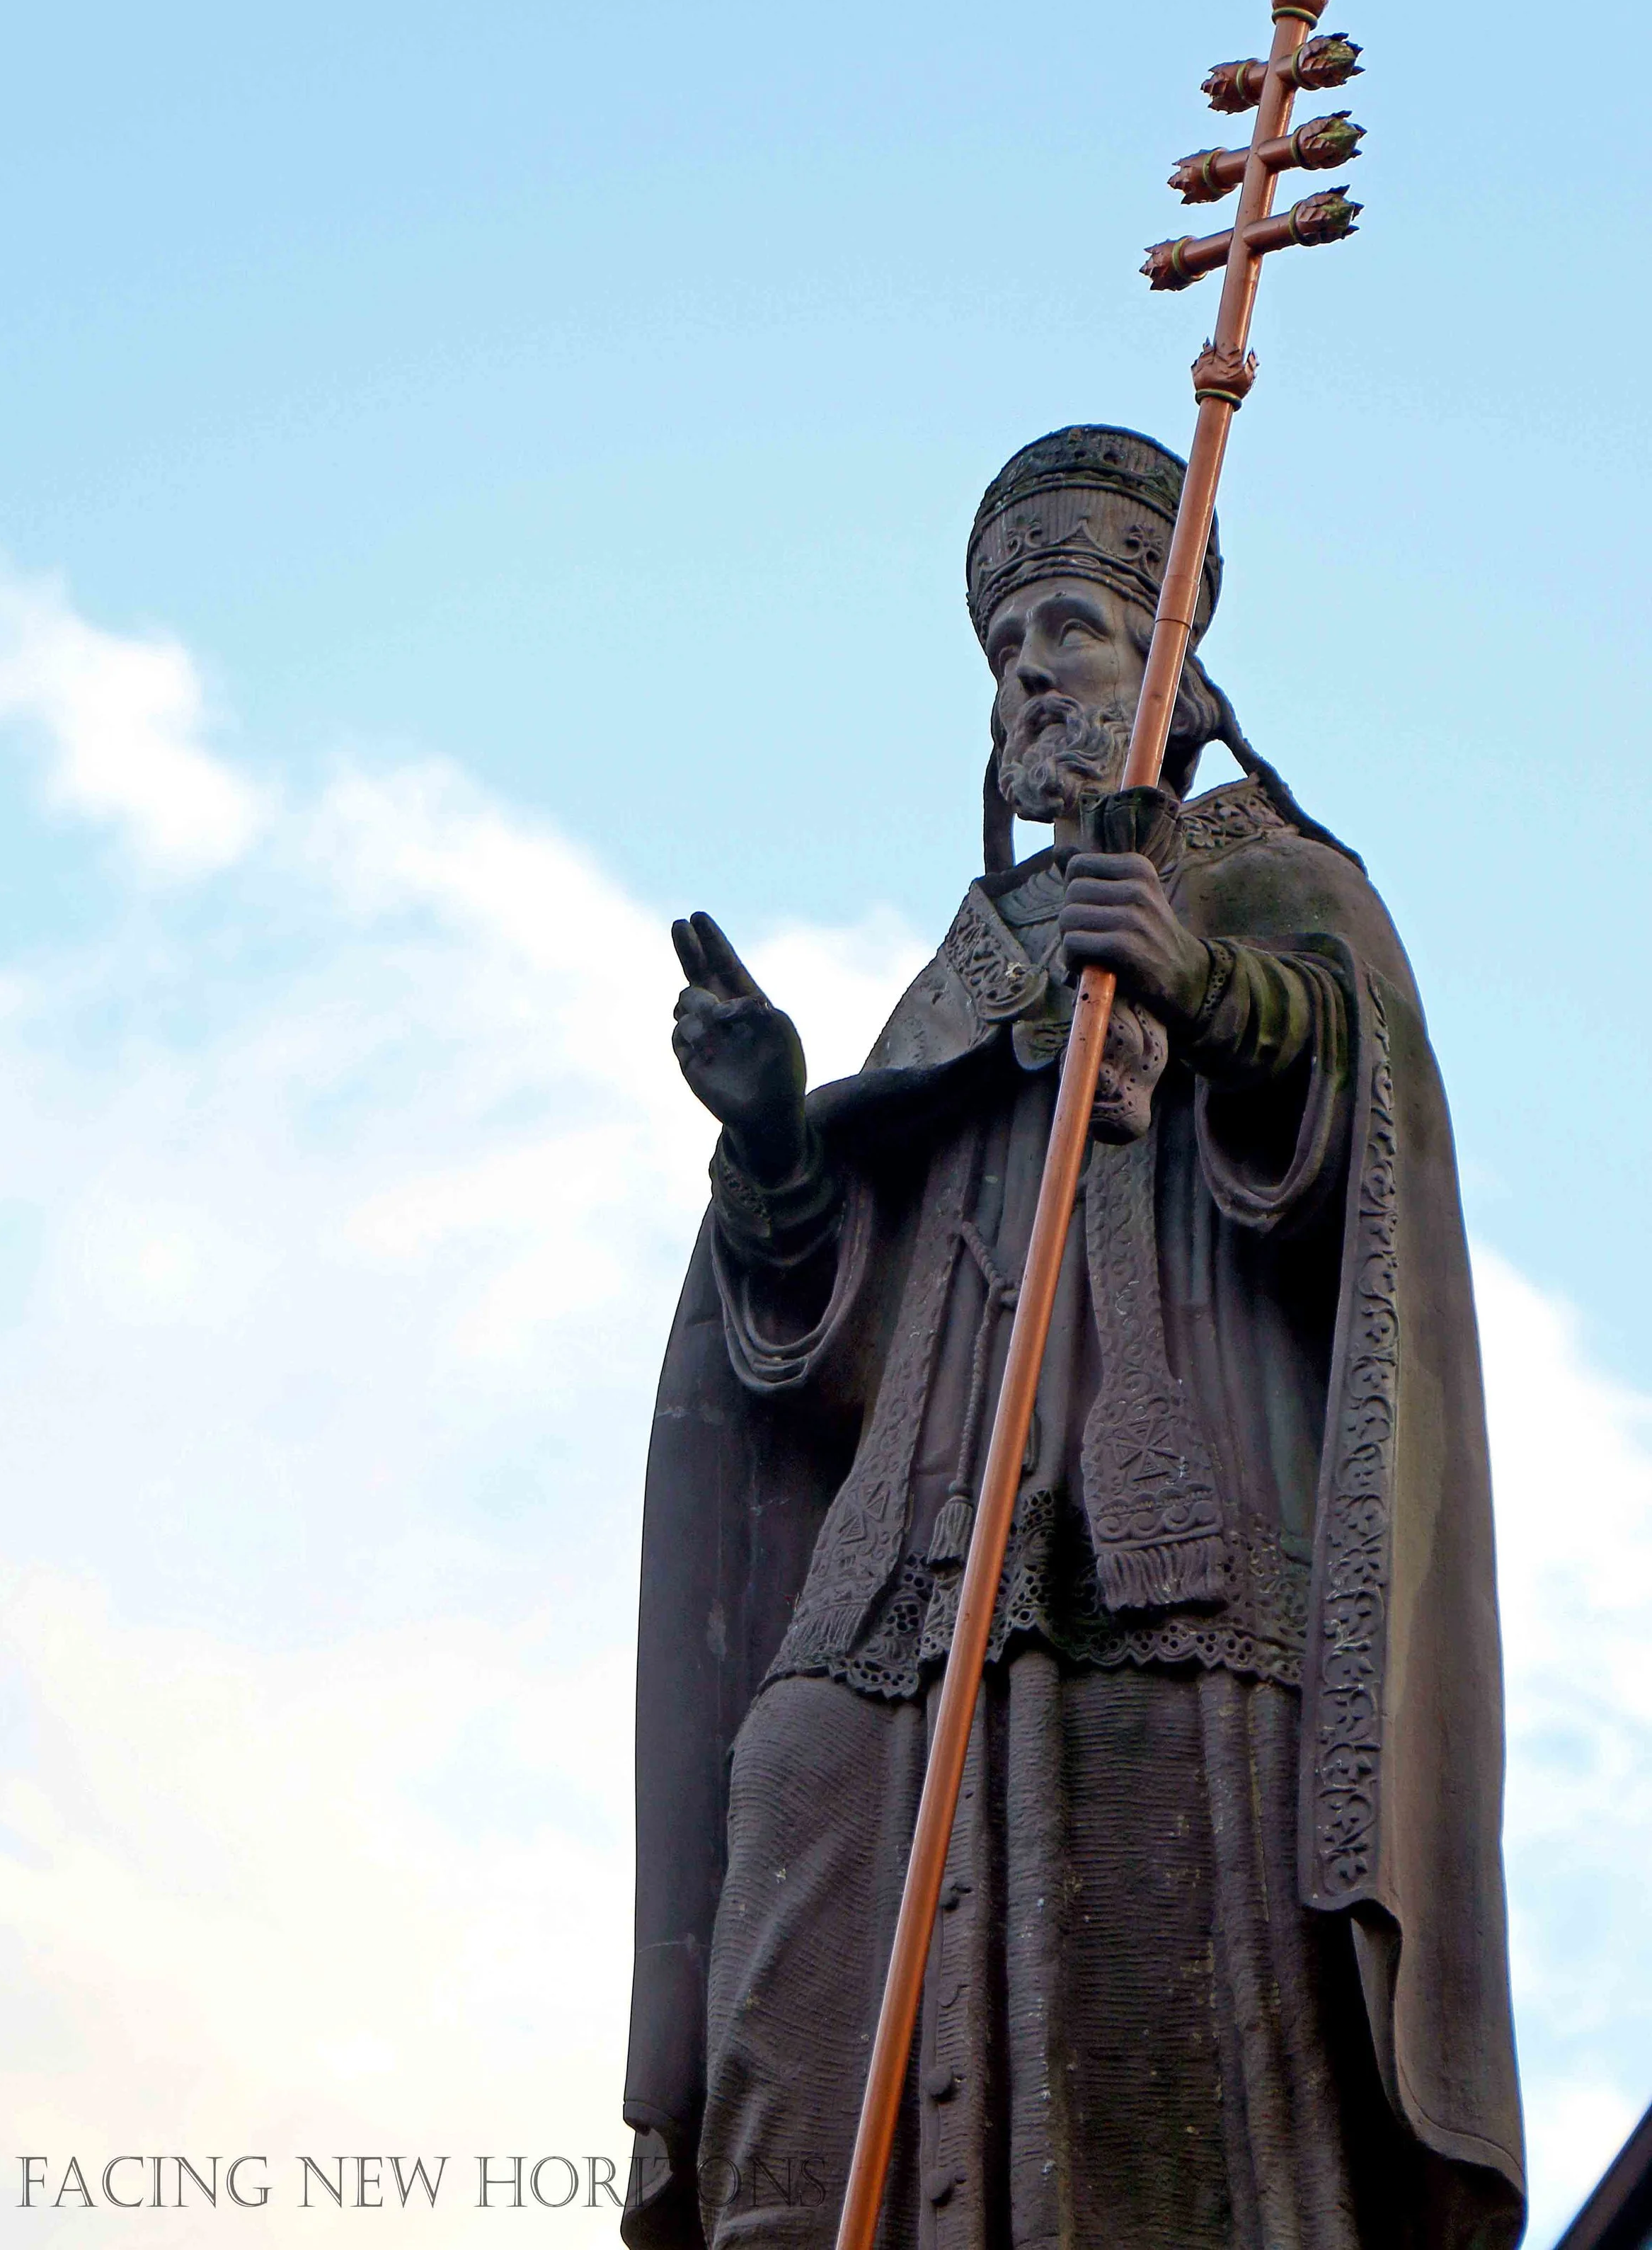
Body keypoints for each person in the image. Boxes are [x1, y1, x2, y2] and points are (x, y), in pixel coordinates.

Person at [623, 425, 1525, 2250]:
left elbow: (1360, 1161)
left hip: (1169, 1568)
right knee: (796, 1904)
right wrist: (781, 1146)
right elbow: (821, 1353)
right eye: (1004, 647)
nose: (1028, 671)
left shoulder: (1284, 889)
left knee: (1160, 2031)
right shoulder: (957, 974)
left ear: (1173, 667)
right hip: (893, 1588)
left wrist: (1208, 988)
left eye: (1067, 630)